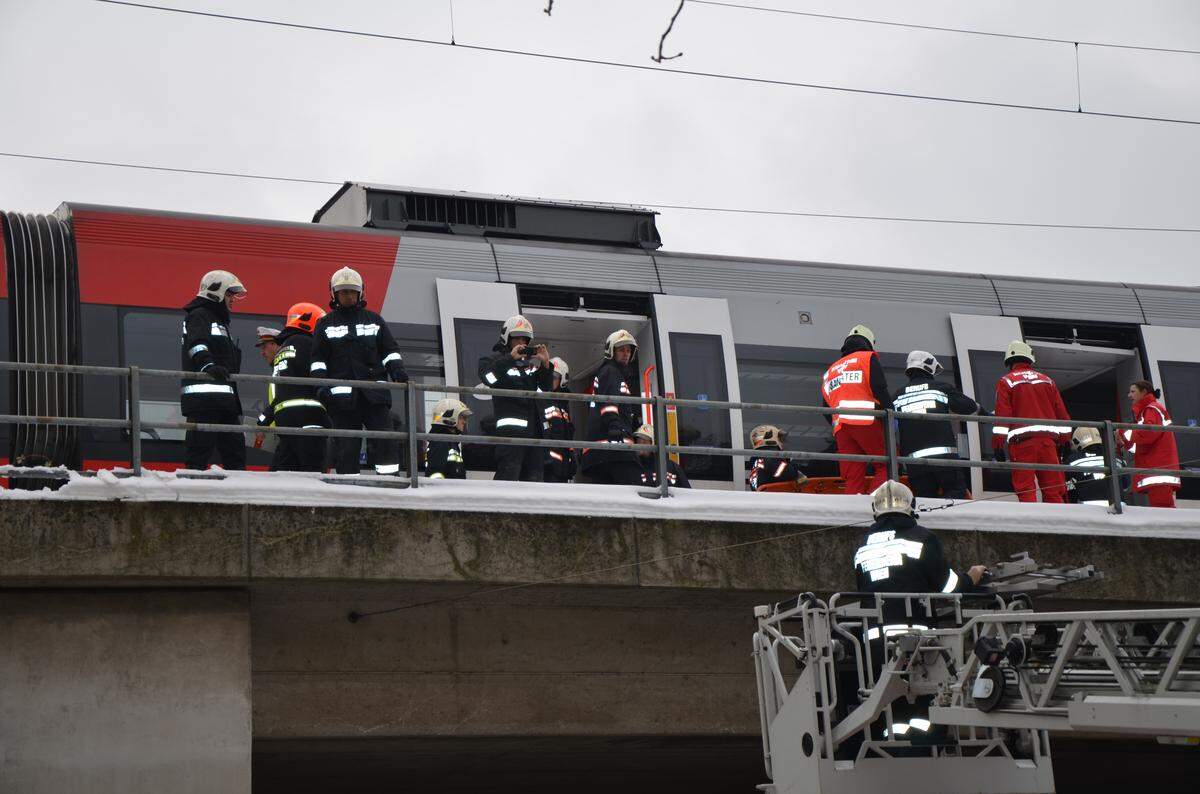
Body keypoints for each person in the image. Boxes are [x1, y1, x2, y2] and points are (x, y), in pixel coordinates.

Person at [310, 267, 407, 475]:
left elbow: (390, 351)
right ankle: (348, 486)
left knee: (385, 442)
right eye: (343, 292)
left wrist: (397, 370)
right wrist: (320, 385)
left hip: (375, 396)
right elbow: (318, 360)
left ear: (360, 292)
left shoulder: (375, 320)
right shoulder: (325, 324)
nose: (348, 296)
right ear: (334, 294)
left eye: (352, 291)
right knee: (346, 447)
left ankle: (389, 483)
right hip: (342, 400)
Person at [854, 480, 988, 601]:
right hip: (914, 624)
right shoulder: (922, 538)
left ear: (874, 509)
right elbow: (948, 587)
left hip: (873, 626)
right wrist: (971, 577)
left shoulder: (863, 545)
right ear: (911, 505)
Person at [180, 269, 247, 471]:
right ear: (215, 293)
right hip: (204, 402)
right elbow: (197, 344)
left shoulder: (218, 321)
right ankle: (192, 493)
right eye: (229, 294)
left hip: (224, 400)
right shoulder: (199, 316)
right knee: (198, 453)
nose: (233, 299)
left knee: (235, 453)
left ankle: (237, 495)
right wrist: (208, 366)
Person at [892, 350, 980, 499]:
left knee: (925, 502)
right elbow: (969, 407)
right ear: (929, 366)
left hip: (914, 464)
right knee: (955, 497)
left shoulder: (897, 396)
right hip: (944, 459)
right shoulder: (941, 388)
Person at [992, 341, 1072, 503]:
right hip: (1048, 444)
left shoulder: (1006, 381)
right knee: (1053, 490)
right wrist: (1066, 440)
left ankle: (1032, 525)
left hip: (1022, 445)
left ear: (1009, 362)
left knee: (1026, 489)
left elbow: (1003, 416)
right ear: (1030, 359)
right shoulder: (1047, 380)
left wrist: (998, 445)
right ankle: (1057, 526)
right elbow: (1062, 414)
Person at [478, 315, 554, 481]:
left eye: (525, 339)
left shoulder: (530, 366)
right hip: (511, 436)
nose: (522, 343)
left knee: (534, 487)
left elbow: (545, 388)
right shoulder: (493, 361)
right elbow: (488, 378)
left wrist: (546, 365)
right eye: (517, 338)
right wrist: (510, 359)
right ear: (507, 338)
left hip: (535, 435)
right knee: (507, 480)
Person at [819, 324, 891, 495]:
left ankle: (854, 509)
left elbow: (825, 407)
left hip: (841, 429)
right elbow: (879, 388)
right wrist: (890, 414)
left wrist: (839, 421)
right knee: (888, 465)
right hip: (866, 421)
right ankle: (872, 504)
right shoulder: (867, 358)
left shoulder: (831, 371)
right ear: (868, 343)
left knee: (853, 475)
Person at [258, 304, 329, 472]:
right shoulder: (308, 343)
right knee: (312, 472)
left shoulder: (284, 349)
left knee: (281, 471)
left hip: (285, 419)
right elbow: (319, 376)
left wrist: (263, 420)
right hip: (309, 418)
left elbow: (284, 391)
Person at [580, 330, 643, 484]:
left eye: (628, 351)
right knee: (631, 488)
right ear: (611, 351)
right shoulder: (611, 372)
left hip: (607, 450)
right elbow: (608, 403)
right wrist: (616, 428)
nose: (626, 354)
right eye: (621, 350)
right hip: (613, 449)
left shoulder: (612, 373)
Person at [1123, 380, 1181, 508]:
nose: (1129, 395)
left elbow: (1147, 434)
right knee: (1162, 509)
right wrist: (1125, 441)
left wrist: (1124, 433)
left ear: (1144, 392)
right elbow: (1141, 442)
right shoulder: (1150, 410)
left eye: (1133, 391)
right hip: (1158, 467)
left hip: (1158, 468)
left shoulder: (1151, 409)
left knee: (1163, 512)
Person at [543, 356, 577, 483]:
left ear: (562, 381)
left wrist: (572, 458)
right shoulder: (541, 400)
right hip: (546, 467)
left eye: (554, 377)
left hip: (562, 468)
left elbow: (567, 436)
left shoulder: (563, 407)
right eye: (548, 377)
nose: (549, 380)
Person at [1064, 427, 1118, 506]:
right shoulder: (1115, 457)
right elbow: (1126, 483)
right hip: (1117, 507)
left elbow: (1068, 488)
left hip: (1087, 509)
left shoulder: (1072, 461)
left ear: (1076, 441)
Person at [747, 424, 807, 492]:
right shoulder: (767, 459)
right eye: (779, 438)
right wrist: (797, 473)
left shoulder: (759, 460)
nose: (782, 442)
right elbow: (784, 471)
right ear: (769, 438)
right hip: (772, 498)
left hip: (767, 498)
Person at [425, 398, 472, 480]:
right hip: (446, 491)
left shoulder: (448, 441)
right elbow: (436, 476)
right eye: (462, 417)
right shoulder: (441, 443)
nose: (464, 421)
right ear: (449, 417)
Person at [632, 423, 690, 488]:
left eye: (644, 442)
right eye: (638, 441)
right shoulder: (632, 466)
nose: (640, 445)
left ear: (653, 444)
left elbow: (687, 492)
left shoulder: (671, 467)